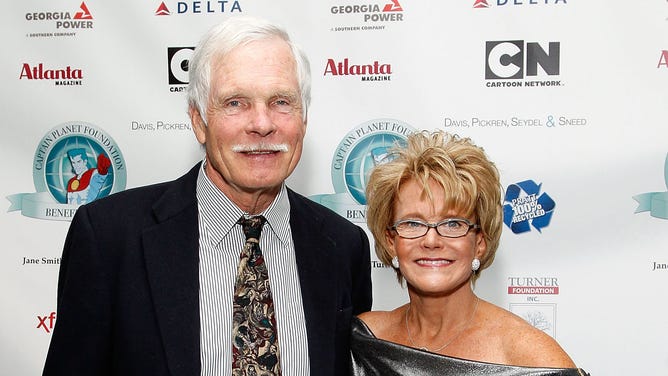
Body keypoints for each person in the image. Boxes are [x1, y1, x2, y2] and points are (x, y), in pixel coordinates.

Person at [42, 16, 372, 376]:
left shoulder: (343, 245)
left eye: (281, 102)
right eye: (235, 103)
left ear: (304, 120)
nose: (262, 124)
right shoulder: (109, 237)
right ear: (198, 121)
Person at [352, 130, 587, 375]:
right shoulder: (365, 340)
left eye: (453, 223)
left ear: (480, 242)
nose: (431, 240)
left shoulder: (529, 357)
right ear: (391, 241)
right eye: (413, 223)